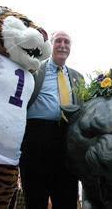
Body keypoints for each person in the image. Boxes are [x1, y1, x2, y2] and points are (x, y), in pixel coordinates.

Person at [20, 31, 84, 208]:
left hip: (66, 139)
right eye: (59, 41)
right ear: (51, 44)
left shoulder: (78, 77)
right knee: (35, 197)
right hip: (36, 137)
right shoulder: (33, 69)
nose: (63, 45)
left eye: (67, 42)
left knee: (67, 197)